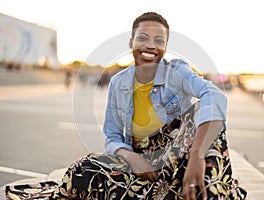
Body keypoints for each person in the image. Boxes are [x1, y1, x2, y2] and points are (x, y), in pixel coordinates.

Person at [6, 12, 247, 200]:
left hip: (180, 163)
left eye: (159, 40)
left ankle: (200, 187)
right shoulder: (118, 83)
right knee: (83, 169)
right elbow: (111, 135)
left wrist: (196, 154)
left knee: (204, 114)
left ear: (165, 47)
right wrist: (131, 157)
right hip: (144, 168)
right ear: (131, 42)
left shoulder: (177, 71)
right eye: (142, 38)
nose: (150, 45)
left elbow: (214, 95)